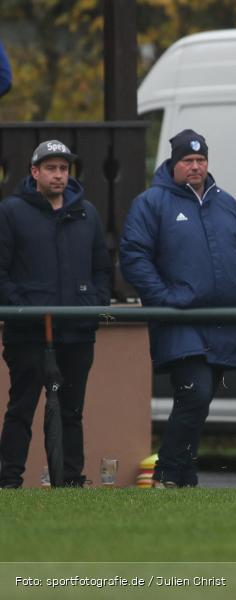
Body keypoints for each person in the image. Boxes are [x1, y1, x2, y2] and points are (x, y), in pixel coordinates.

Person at [120, 129, 236, 488]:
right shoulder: (152, 203)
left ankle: (183, 477)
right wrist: (164, 298)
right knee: (194, 393)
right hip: (181, 320)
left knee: (201, 399)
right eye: (188, 161)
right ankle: (168, 473)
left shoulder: (225, 202)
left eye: (201, 160)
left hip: (225, 320)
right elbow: (134, 256)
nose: (195, 166)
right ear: (173, 163)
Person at [0, 140, 111, 488]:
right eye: (51, 168)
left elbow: (101, 270)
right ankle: (8, 480)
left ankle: (70, 481)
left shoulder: (87, 213)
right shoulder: (11, 212)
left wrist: (94, 303)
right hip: (28, 333)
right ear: (35, 172)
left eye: (63, 168)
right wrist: (24, 309)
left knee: (71, 411)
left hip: (77, 331)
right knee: (22, 408)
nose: (58, 175)